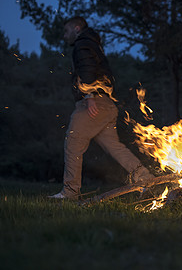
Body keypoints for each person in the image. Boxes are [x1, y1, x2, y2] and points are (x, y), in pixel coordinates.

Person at [49, 16, 154, 199]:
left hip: (93, 103)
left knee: (73, 143)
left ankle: (70, 192)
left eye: (66, 31)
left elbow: (87, 69)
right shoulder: (94, 44)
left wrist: (89, 95)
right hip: (107, 105)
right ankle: (147, 179)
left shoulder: (83, 44)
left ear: (76, 28)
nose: (65, 36)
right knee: (116, 148)